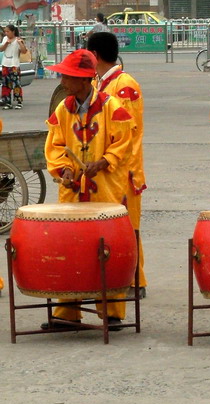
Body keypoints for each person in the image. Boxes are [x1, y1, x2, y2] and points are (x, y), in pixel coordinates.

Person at [42, 49, 135, 331]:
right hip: (73, 193)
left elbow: (124, 142)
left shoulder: (113, 107)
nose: (62, 80)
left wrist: (104, 162)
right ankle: (67, 312)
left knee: (107, 249)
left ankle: (113, 313)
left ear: (83, 79)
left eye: (66, 76)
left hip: (106, 189)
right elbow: (55, 146)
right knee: (70, 249)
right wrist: (65, 170)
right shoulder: (63, 109)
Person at [87, 31, 147, 298]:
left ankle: (136, 280)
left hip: (124, 169)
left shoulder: (124, 85)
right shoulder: (101, 83)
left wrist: (124, 170)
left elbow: (127, 134)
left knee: (128, 226)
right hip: (108, 167)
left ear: (95, 56)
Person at [0, 24, 27, 110]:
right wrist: (6, 44)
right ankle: (7, 102)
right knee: (5, 84)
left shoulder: (18, 40)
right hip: (5, 63)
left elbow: (24, 51)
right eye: (5, 31)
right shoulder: (5, 39)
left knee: (16, 83)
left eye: (8, 31)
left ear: (13, 31)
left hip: (14, 64)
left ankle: (19, 101)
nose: (6, 33)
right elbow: (1, 49)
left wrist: (20, 43)